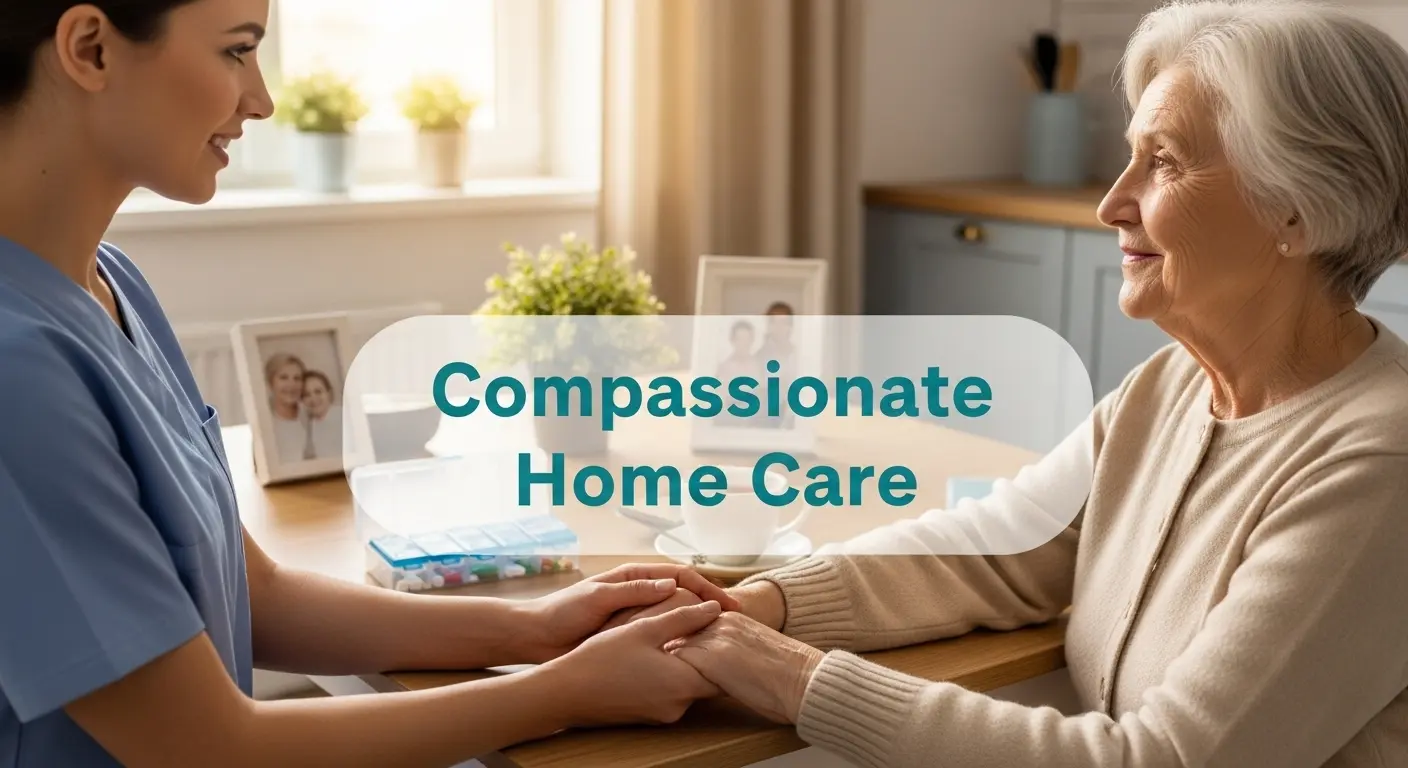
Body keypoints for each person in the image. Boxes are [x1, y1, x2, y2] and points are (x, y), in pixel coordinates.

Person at [615, 2, 1408, 765]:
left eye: (1163, 161)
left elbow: (1161, 761)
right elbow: (996, 548)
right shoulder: (1168, 387)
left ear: (1298, 211)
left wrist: (794, 677)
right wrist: (761, 603)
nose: (1111, 203)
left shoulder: (1378, 467)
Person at [0, 2, 739, 766]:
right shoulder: (16, 372)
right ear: (90, 48)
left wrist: (541, 628)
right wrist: (565, 691)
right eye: (236, 51)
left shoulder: (110, 285)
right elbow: (209, 746)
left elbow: (256, 591)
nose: (262, 98)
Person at [263, 351, 311, 461]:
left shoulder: (311, 415)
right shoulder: (264, 422)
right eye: (284, 378)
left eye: (297, 378)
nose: (291, 385)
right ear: (271, 382)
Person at [301, 369, 342, 460]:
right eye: (307, 395)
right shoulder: (309, 426)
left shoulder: (344, 417)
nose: (313, 398)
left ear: (329, 393)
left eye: (318, 391)